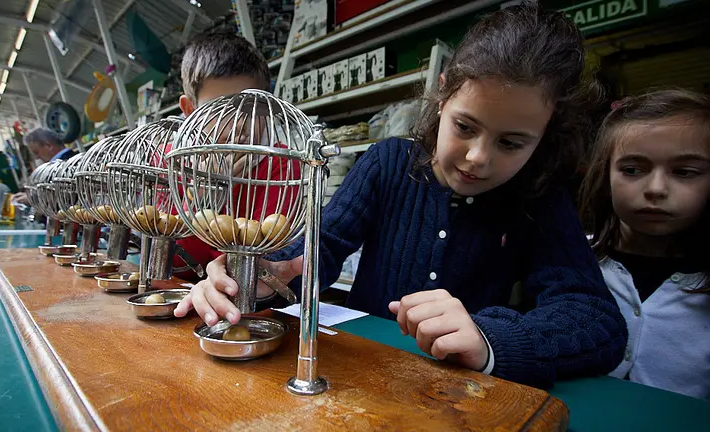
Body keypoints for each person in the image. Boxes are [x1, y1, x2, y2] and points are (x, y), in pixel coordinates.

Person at [175, 3, 628, 389]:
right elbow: (323, 243)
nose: (476, 158)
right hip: (360, 377)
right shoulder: (388, 162)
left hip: (457, 397)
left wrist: (491, 340)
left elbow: (595, 319)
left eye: (511, 143)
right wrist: (265, 272)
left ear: (545, 135)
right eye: (465, 127)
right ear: (443, 94)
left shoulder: (537, 195)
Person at [580, 89, 710, 400]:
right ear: (605, 174)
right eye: (632, 170)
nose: (655, 189)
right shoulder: (572, 259)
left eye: (684, 172)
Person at [171, 33, 298, 280]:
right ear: (190, 110)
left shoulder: (279, 165)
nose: (240, 124)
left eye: (251, 106)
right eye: (221, 109)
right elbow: (174, 264)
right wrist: (202, 198)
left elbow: (263, 269)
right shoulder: (175, 162)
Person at [11, 129, 75, 205]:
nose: (37, 157)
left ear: (48, 146)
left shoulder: (65, 164)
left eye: (36, 152)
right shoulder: (69, 160)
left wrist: (34, 199)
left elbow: (66, 193)